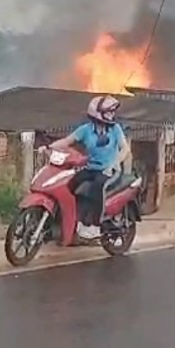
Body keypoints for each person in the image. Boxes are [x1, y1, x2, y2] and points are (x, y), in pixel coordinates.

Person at [48, 95, 129, 240]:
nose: (112, 115)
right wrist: (48, 147)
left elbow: (125, 149)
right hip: (90, 168)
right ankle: (67, 223)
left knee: (97, 187)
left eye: (112, 112)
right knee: (68, 185)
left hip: (109, 171)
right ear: (98, 114)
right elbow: (67, 141)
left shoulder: (115, 129)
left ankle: (95, 226)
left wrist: (114, 163)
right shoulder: (85, 130)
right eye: (108, 112)